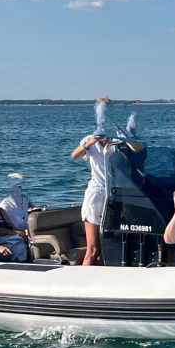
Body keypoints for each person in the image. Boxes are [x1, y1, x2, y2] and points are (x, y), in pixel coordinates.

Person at [71, 97, 144, 266]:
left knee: (107, 248)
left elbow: (138, 148)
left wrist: (125, 138)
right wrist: (89, 143)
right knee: (93, 249)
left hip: (115, 196)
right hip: (96, 195)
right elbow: (75, 155)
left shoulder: (120, 138)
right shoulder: (91, 139)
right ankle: (80, 284)